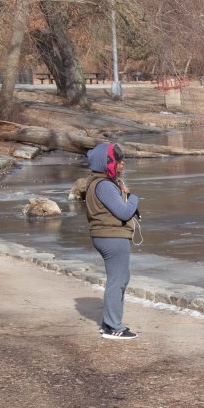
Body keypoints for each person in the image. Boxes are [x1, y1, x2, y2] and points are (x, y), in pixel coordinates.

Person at [80, 142, 140, 340]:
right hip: (112, 237)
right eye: (119, 161)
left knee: (119, 279)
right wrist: (133, 198)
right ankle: (114, 327)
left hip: (106, 236)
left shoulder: (99, 182)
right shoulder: (104, 185)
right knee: (118, 281)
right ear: (107, 163)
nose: (123, 165)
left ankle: (109, 323)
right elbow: (124, 211)